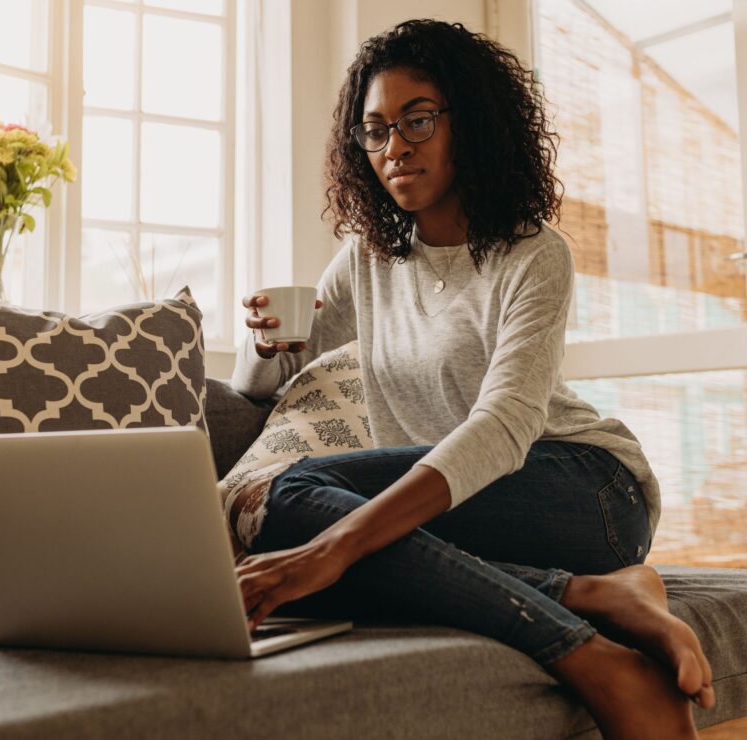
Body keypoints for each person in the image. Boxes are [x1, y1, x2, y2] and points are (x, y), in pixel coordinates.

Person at [230, 19, 713, 740]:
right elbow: (268, 381)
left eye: (417, 120)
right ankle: (590, 596)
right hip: (466, 514)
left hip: (583, 486)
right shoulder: (369, 258)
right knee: (274, 513)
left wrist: (336, 547)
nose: (394, 148)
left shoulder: (532, 254)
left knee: (306, 508)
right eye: (375, 130)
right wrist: (267, 343)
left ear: (473, 122)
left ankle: (588, 655)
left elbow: (506, 426)